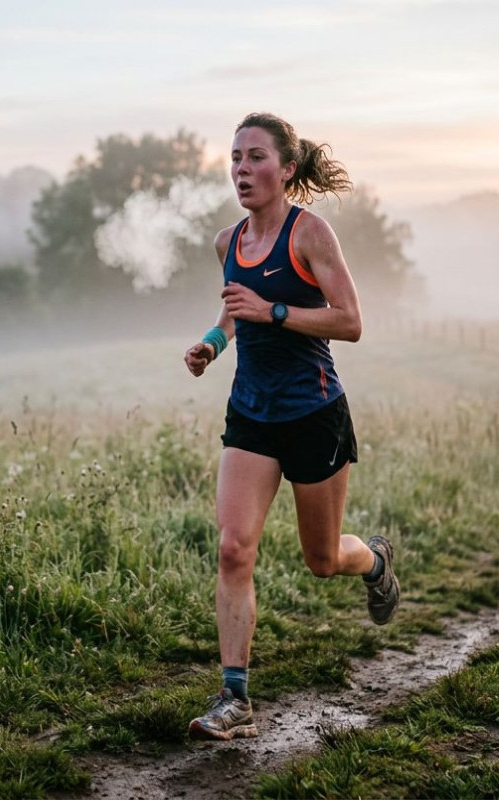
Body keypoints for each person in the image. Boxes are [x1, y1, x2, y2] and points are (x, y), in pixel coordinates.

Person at [182, 112, 399, 741]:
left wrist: (274, 310)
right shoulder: (229, 242)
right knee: (232, 547)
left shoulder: (311, 235)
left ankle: (376, 560)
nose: (242, 170)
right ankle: (234, 699)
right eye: (234, 158)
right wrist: (210, 345)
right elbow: (232, 314)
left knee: (323, 559)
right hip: (251, 413)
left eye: (255, 158)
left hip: (313, 412)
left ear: (286, 168)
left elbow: (350, 321)